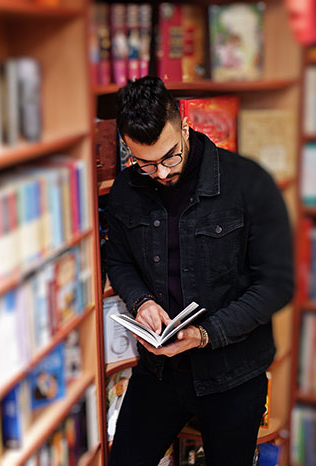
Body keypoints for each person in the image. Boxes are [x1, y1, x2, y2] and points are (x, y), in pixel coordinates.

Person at [105, 76, 293, 466]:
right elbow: (118, 260)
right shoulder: (126, 189)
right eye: (144, 162)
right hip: (159, 371)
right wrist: (141, 302)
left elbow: (276, 284)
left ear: (186, 127)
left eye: (169, 156)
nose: (159, 173)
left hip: (234, 373)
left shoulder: (246, 181)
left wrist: (206, 334)